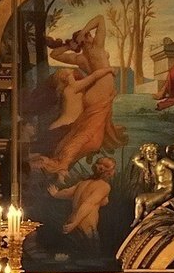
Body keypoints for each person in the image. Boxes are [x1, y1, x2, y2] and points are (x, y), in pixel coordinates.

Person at [29, 15, 125, 175]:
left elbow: (55, 55)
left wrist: (70, 45)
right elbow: (100, 19)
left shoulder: (80, 58)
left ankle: (63, 160)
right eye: (89, 35)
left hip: (98, 94)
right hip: (100, 93)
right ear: (86, 38)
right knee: (88, 135)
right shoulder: (97, 48)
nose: (92, 35)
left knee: (93, 138)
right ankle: (62, 163)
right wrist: (82, 34)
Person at [49, 156, 117, 239]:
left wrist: (55, 194)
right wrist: (75, 223)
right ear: (109, 172)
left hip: (70, 221)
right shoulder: (104, 186)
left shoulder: (82, 183)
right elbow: (89, 204)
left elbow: (67, 192)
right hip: (85, 225)